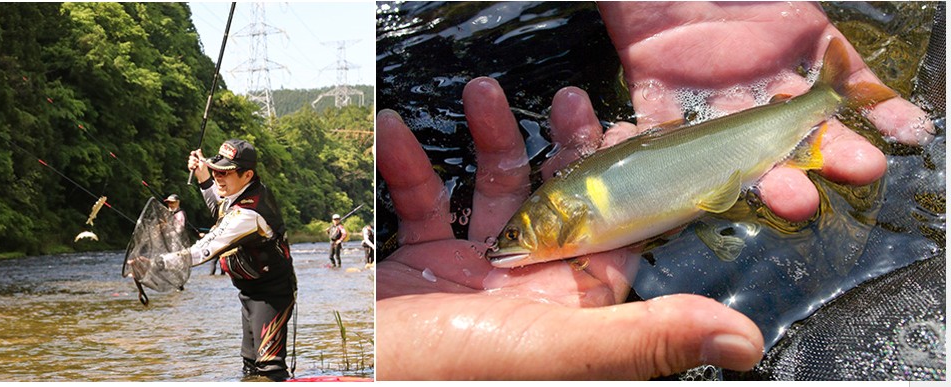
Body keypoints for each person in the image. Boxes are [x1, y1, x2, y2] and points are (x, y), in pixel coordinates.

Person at [375, 2, 933, 380]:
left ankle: (829, 96)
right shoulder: (572, 218)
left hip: (751, 136)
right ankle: (828, 97)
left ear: (556, 217)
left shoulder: (576, 218)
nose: (509, 246)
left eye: (520, 233)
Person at [144, 139, 297, 381]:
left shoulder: (248, 213)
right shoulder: (239, 192)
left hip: (272, 295)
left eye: (225, 173)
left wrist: (156, 262)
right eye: (216, 170)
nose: (218, 178)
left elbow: (204, 249)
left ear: (247, 174)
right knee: (250, 365)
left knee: (269, 368)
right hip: (249, 292)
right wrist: (203, 173)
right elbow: (219, 205)